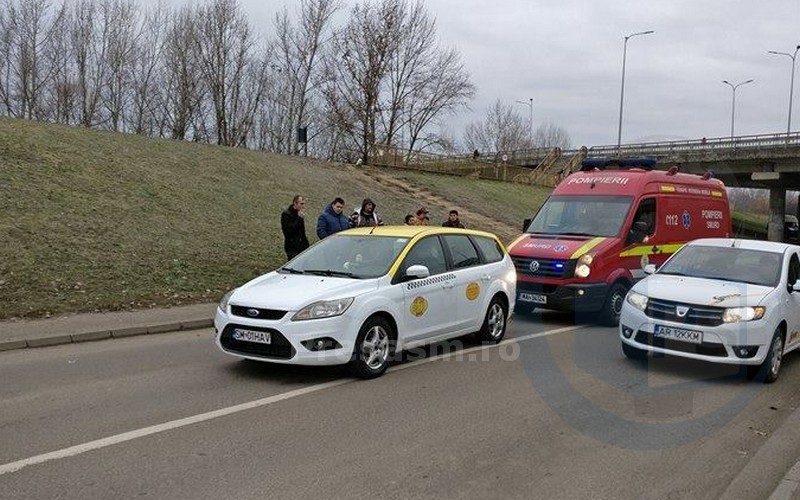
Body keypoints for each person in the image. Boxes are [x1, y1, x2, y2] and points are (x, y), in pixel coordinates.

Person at [281, 195, 310, 260]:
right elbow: (289, 231)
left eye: (304, 204)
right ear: (295, 203)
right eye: (301, 204)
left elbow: (302, 231)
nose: (303, 206)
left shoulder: (299, 213)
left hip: (302, 246)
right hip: (292, 247)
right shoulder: (286, 214)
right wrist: (299, 218)